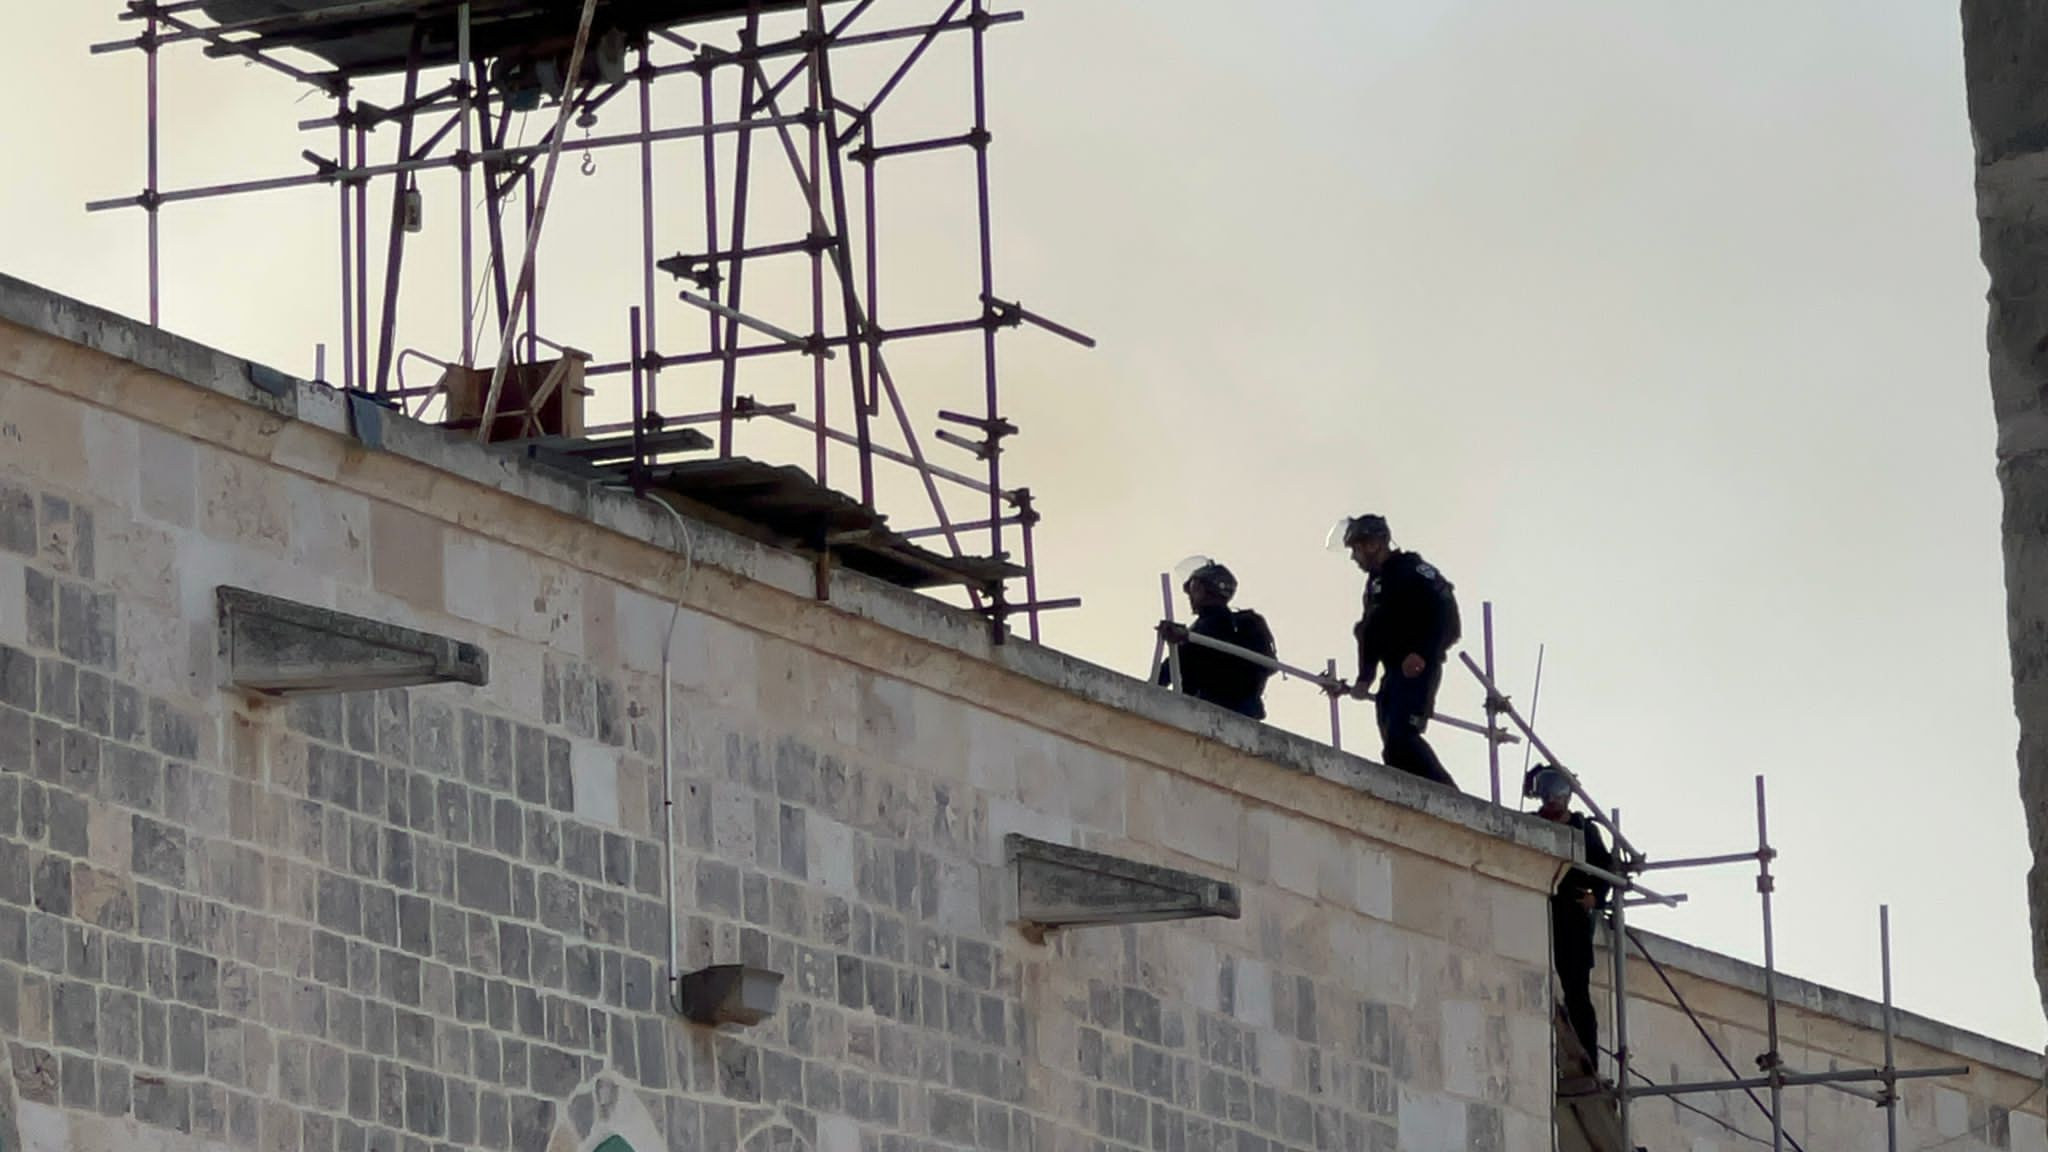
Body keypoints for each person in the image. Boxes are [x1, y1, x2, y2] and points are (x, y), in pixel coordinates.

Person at [1332, 513, 1461, 787]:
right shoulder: (1377, 584)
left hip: (1416, 670)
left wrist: (1423, 653)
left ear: (1375, 544)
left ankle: (1450, 795)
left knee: (1403, 737)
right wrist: (1365, 676)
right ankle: (1414, 796)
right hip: (1392, 674)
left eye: (1357, 548)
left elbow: (1446, 616)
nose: (1354, 557)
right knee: (1392, 747)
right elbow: (1371, 632)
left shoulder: (1412, 571)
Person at [1527, 764, 1612, 1064]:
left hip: (1573, 918)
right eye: (1547, 792)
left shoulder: (1583, 828)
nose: (1552, 799)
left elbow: (1607, 868)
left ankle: (1586, 1056)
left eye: (1558, 792)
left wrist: (1596, 897)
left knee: (1577, 991)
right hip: (1540, 910)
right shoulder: (1530, 824)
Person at [1156, 560, 1277, 720]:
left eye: (1194, 588)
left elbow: (1266, 663)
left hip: (1226, 707)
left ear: (1210, 590)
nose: (1190, 596)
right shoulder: (1199, 630)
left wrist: (1187, 639)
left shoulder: (1239, 623)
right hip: (1206, 709)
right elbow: (1172, 666)